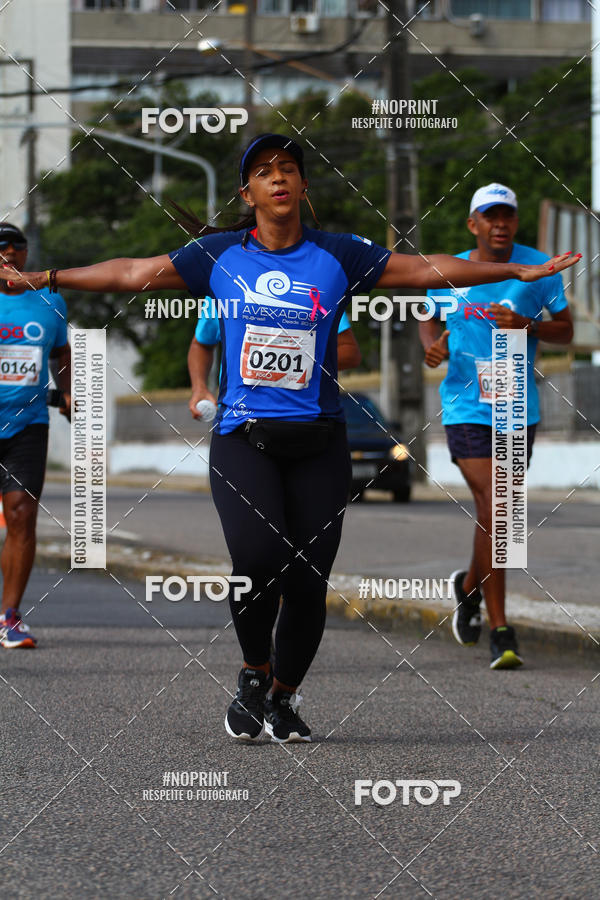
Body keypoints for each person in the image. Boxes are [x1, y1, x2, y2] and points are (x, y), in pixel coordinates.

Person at [0, 138, 578, 738]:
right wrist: (42, 277)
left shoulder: (340, 255)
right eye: (263, 172)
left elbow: (424, 267)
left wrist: (517, 270)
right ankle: (254, 670)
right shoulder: (217, 255)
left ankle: (284, 695)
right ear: (247, 194)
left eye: (289, 170)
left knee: (307, 583)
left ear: (303, 188)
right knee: (255, 562)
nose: (278, 178)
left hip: (319, 442)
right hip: (243, 438)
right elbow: (132, 272)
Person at [420, 183, 574, 670]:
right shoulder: (452, 272)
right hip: (465, 406)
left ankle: (468, 587)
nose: (501, 224)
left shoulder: (538, 268)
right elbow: (427, 318)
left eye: (508, 215)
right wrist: (433, 346)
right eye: (491, 216)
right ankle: (501, 628)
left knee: (494, 511)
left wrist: (526, 326)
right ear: (474, 224)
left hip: (515, 407)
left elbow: (567, 332)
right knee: (501, 507)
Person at [0, 222, 71, 649]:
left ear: (26, 253)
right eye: (0, 247)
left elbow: (61, 352)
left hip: (28, 424)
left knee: (22, 514)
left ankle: (9, 616)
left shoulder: (50, 301)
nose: (8, 252)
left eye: (16, 246)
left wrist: (66, 390)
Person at [188, 301, 361, 419]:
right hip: (238, 421)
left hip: (309, 419)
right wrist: (199, 387)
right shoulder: (223, 284)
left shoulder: (317, 286)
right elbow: (201, 344)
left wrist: (299, 362)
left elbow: (350, 353)